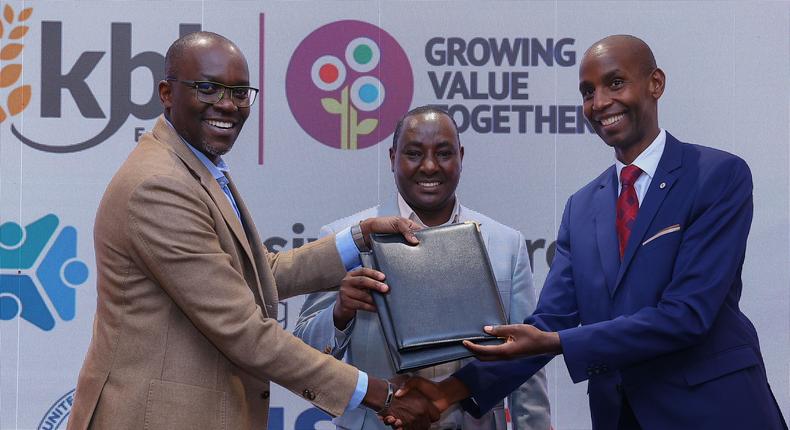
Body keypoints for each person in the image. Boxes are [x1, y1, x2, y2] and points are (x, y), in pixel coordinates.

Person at [394, 35, 788, 430]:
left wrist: (559, 343)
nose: (599, 103)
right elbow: (551, 321)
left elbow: (687, 314)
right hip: (620, 416)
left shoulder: (716, 175)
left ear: (656, 83)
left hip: (716, 412)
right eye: (587, 91)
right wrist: (451, 390)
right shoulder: (582, 206)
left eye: (615, 83)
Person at [68, 32, 440, 430]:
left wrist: (360, 238)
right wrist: (377, 393)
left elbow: (256, 273)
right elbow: (244, 331)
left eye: (240, 91)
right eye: (207, 88)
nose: (227, 105)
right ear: (167, 93)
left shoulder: (194, 165)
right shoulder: (159, 186)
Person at [294, 105, 550, 430]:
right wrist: (340, 314)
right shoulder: (347, 239)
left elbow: (524, 361)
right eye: (414, 153)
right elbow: (303, 354)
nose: (429, 166)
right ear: (392, 157)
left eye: (443, 153)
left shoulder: (506, 244)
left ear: (460, 156)